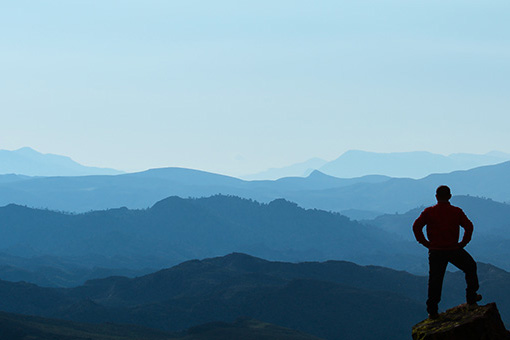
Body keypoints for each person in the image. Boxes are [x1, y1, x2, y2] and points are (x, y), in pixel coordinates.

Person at [412, 185, 481, 319]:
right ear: (449, 196)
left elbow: (416, 227)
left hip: (436, 251)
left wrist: (426, 243)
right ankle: (471, 299)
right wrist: (463, 243)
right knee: (470, 267)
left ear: (436, 197)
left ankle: (432, 311)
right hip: (453, 249)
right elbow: (469, 226)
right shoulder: (456, 211)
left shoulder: (429, 212)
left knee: (435, 280)